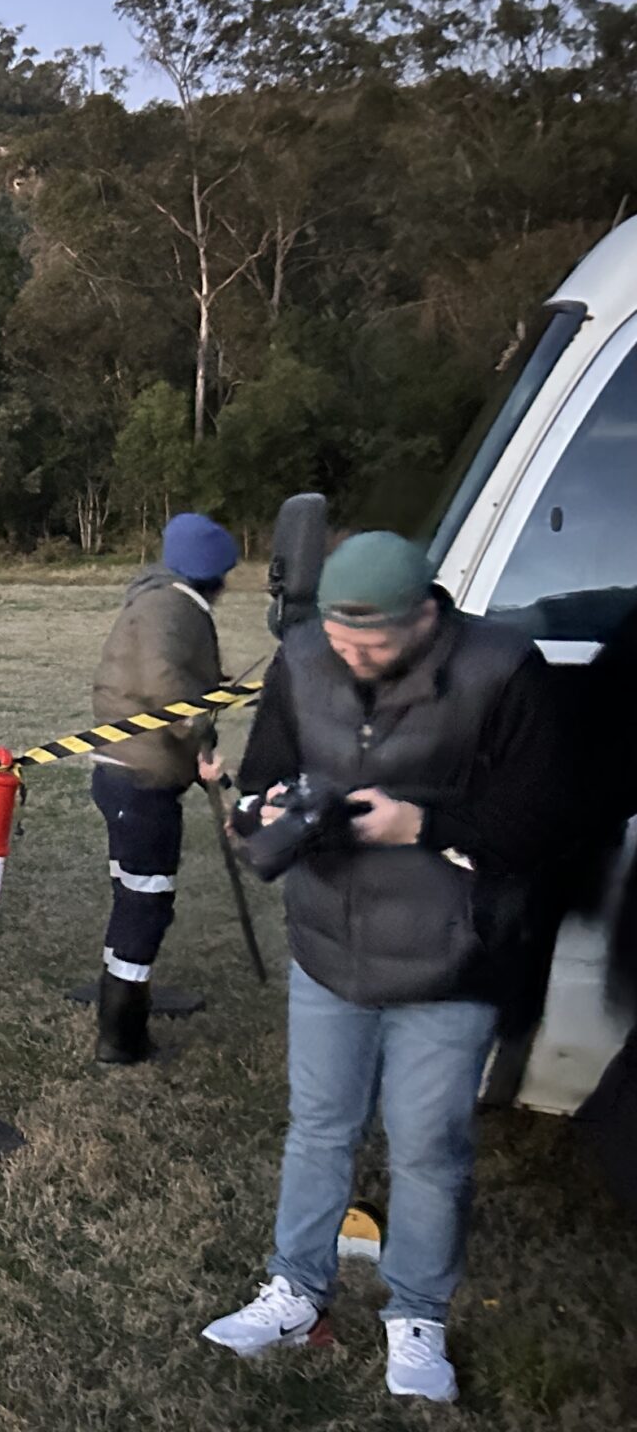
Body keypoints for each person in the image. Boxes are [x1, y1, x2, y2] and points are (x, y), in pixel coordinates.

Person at [200, 532, 562, 1404]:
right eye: (337, 637)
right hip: (330, 946)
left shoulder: (507, 670)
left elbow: (540, 821)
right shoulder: (302, 659)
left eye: (371, 643)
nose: (349, 656)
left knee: (429, 1146)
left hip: (450, 954)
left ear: (425, 616)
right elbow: (268, 774)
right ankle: (296, 1288)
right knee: (318, 1125)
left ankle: (417, 1314)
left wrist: (423, 827)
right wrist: (263, 817)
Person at [87, 512, 239, 1062]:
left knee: (134, 893)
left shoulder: (159, 597)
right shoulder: (171, 605)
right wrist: (200, 733)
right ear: (216, 575)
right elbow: (163, 681)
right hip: (141, 776)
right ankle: (120, 1033)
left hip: (128, 770)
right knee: (146, 901)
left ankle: (124, 987)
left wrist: (214, 688)